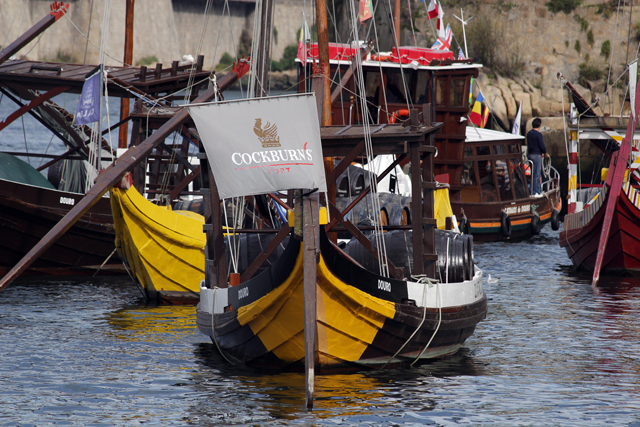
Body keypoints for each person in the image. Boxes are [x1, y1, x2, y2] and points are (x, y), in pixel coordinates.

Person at [526, 118, 548, 196]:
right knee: (537, 175)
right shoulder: (538, 134)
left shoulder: (528, 134)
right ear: (540, 125)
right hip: (536, 156)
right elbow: (542, 146)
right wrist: (545, 153)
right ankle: (535, 192)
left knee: (533, 174)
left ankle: (537, 191)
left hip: (530, 155)